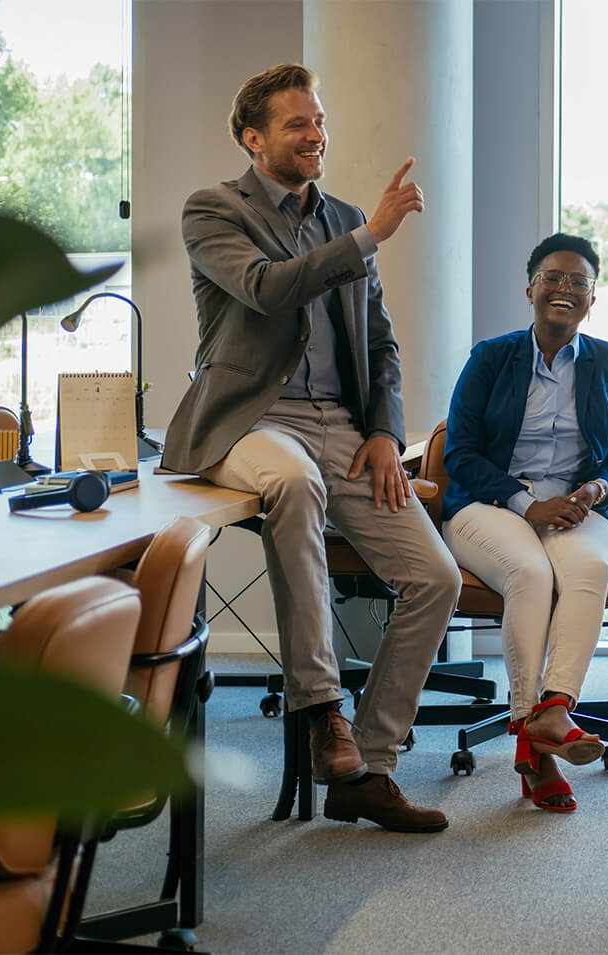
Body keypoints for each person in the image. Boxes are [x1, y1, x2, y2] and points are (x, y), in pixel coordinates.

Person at [163, 64, 460, 833]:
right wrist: (372, 236)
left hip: (345, 428)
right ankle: (323, 706)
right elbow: (267, 288)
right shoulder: (211, 211)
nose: (316, 135)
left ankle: (371, 763)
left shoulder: (345, 217)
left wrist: (389, 433)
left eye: (319, 121)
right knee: (292, 483)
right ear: (254, 139)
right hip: (251, 421)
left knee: (436, 575)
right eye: (298, 124)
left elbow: (382, 343)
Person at [440, 233, 608, 813]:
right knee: (530, 574)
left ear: (592, 298)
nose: (565, 289)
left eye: (580, 282)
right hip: (491, 503)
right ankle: (539, 739)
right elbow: (462, 454)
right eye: (553, 277)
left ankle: (553, 710)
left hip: (579, 506)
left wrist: (595, 489)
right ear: (530, 288)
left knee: (589, 568)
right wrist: (528, 505)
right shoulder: (492, 357)